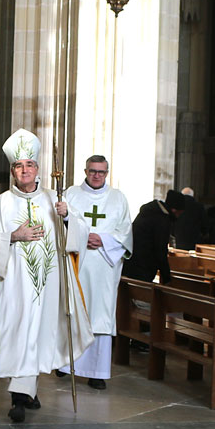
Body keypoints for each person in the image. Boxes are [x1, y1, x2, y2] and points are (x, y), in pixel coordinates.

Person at [0, 128, 93, 422]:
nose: (24, 170)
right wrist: (13, 236)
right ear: (13, 171)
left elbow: (79, 235)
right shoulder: (2, 203)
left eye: (29, 165)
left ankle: (28, 390)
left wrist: (67, 217)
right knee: (17, 333)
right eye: (19, 166)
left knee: (39, 336)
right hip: (13, 284)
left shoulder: (55, 199)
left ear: (37, 169)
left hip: (48, 285)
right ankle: (20, 396)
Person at [56, 156, 133, 390]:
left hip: (104, 266)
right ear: (85, 171)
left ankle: (97, 372)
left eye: (101, 171)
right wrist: (79, 234)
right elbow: (60, 226)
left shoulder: (118, 198)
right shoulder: (71, 195)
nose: (97, 175)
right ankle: (65, 364)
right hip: (77, 262)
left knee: (100, 317)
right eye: (92, 171)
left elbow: (126, 232)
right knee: (72, 311)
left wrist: (104, 239)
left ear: (107, 172)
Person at [123, 189, 190, 284]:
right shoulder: (162, 220)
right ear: (174, 210)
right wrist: (166, 277)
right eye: (179, 213)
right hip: (143, 268)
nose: (179, 216)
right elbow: (160, 250)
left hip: (129, 263)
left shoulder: (149, 212)